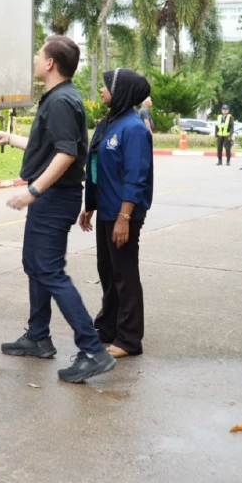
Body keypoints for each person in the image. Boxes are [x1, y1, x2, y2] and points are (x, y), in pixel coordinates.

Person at [0, 35, 117, 385]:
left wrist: (33, 191)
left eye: (38, 55)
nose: (34, 59)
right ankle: (38, 336)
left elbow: (67, 155)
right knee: (36, 266)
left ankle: (92, 350)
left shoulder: (61, 101)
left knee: (50, 271)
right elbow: (52, 146)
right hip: (52, 198)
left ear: (50, 64)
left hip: (54, 198)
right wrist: (11, 139)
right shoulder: (62, 98)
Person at [79, 68, 154, 359]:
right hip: (107, 210)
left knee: (124, 274)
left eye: (106, 85)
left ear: (120, 91)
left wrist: (124, 219)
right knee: (107, 271)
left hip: (124, 214)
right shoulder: (108, 124)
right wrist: (90, 206)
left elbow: (135, 177)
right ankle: (107, 327)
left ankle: (129, 339)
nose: (101, 90)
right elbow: (96, 168)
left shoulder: (133, 129)